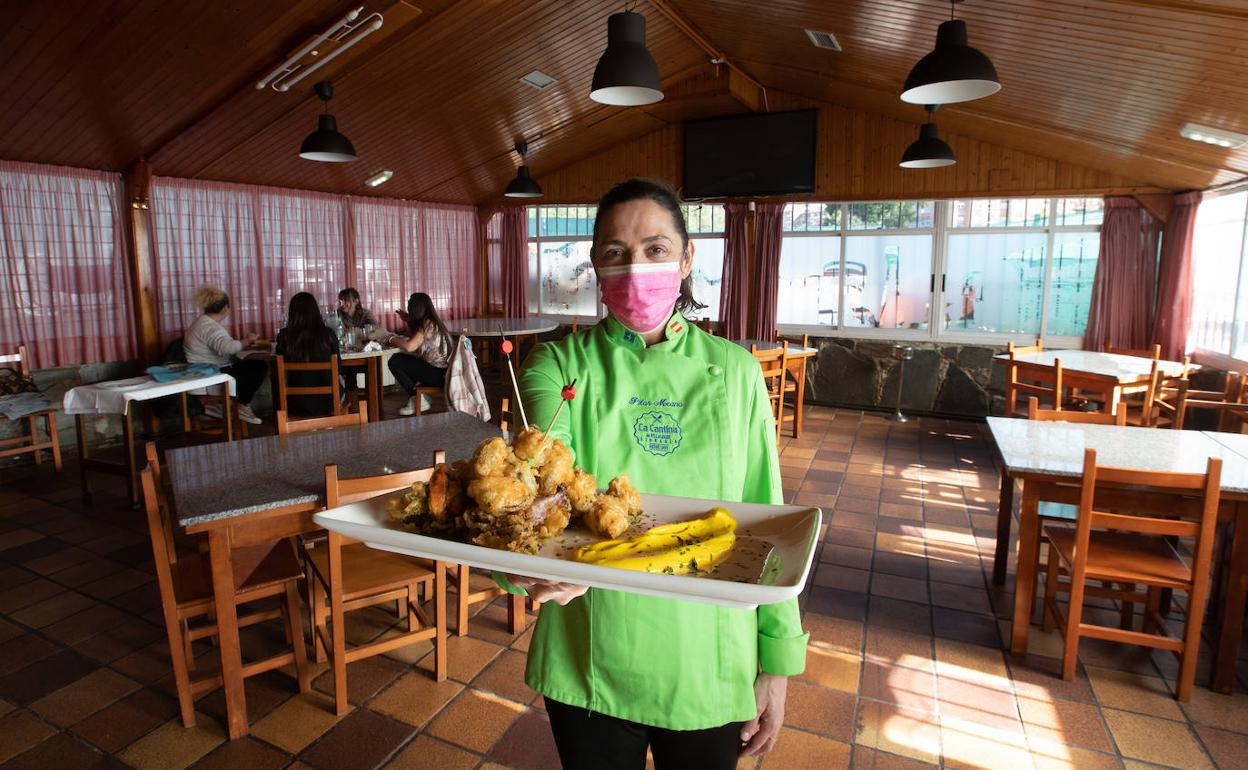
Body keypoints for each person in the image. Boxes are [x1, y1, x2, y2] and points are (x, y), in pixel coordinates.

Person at [502, 179, 806, 769]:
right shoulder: (557, 367)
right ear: (595, 265)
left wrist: (778, 658)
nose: (635, 267)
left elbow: (771, 520)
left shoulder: (736, 372)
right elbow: (542, 490)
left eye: (656, 249)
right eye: (615, 253)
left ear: (688, 258)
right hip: (589, 645)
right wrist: (533, 568)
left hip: (710, 658)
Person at [183, 285, 267, 425]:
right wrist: (248, 340)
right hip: (211, 375)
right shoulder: (210, 327)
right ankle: (242, 405)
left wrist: (240, 342)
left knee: (249, 366)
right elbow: (228, 348)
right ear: (224, 308)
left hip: (201, 372)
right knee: (258, 367)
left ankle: (225, 405)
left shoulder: (201, 323)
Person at [383, 292, 453, 416]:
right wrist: (407, 320)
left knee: (395, 361)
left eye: (410, 305)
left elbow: (410, 346)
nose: (408, 307)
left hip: (437, 375)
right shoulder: (432, 321)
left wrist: (390, 339)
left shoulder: (425, 324)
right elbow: (417, 339)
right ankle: (418, 397)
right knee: (405, 361)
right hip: (443, 373)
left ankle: (418, 399)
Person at [275, 292, 340, 417]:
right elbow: (339, 368)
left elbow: (279, 372)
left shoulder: (283, 336)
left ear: (292, 313)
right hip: (328, 403)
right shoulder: (328, 335)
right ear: (315, 311)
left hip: (295, 403)